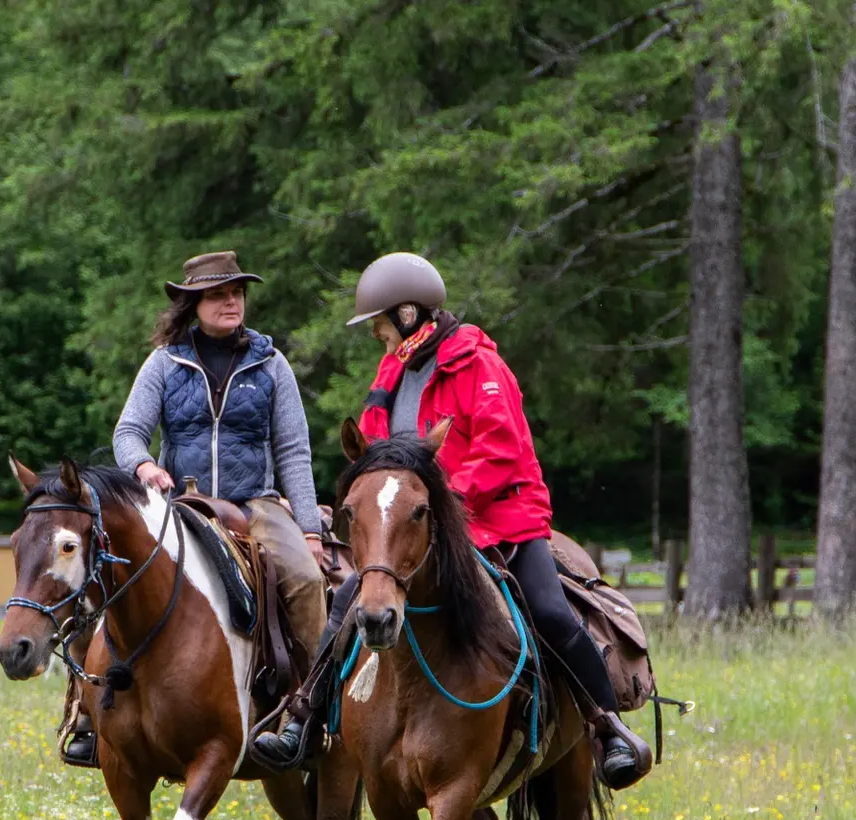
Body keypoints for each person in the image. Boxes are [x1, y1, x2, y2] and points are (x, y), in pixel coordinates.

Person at [252, 252, 650, 790]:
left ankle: (607, 729)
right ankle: (306, 719)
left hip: (503, 519)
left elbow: (501, 450)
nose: (378, 336)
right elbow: (377, 446)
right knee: (346, 603)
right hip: (419, 529)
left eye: (382, 323)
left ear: (410, 314)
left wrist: (442, 500)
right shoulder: (391, 371)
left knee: (550, 610)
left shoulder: (481, 366)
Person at [94, 251, 328, 768]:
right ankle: (90, 710)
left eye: (237, 292)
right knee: (114, 573)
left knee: (309, 581)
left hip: (256, 504)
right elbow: (128, 432)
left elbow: (293, 451)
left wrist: (309, 528)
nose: (232, 302)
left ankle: (309, 709)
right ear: (193, 303)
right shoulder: (164, 362)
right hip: (184, 504)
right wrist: (144, 468)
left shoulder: (271, 363)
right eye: (219, 294)